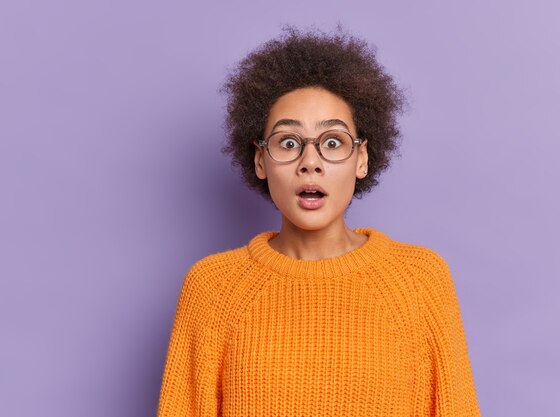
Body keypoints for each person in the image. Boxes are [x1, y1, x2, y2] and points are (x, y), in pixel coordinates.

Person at [156, 26, 482, 417]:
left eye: (332, 142)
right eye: (289, 143)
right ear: (260, 160)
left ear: (361, 158)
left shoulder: (419, 280)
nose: (310, 162)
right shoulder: (212, 288)